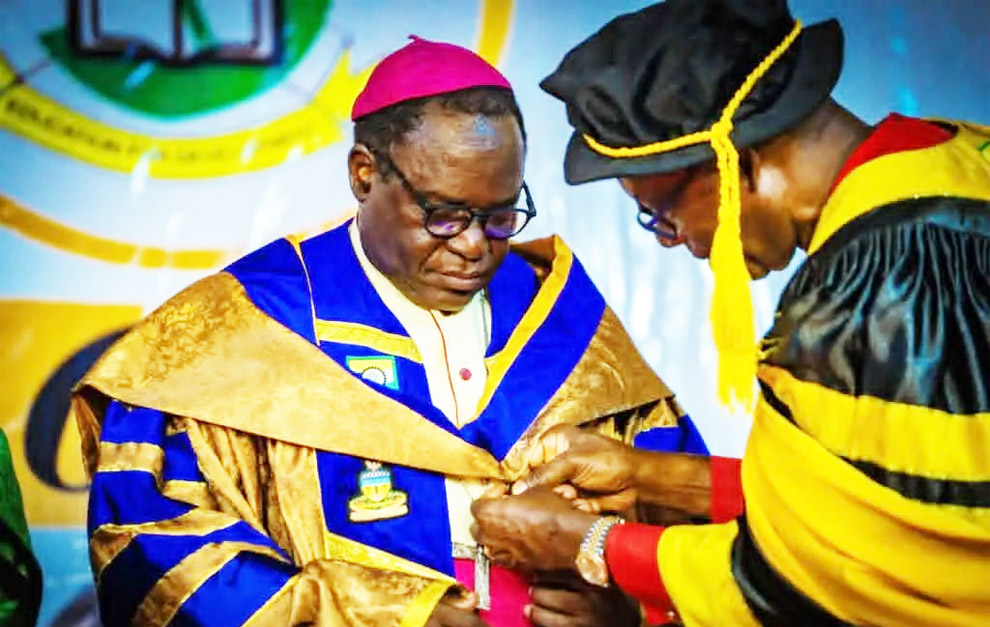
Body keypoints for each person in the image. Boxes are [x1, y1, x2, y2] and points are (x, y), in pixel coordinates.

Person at [71, 37, 708, 627]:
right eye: (443, 214)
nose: (474, 247)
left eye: (499, 215)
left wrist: (629, 610)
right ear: (364, 174)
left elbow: (695, 531)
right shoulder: (236, 333)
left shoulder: (567, 321)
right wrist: (383, 614)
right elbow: (151, 545)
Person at [472, 1, 990, 625]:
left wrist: (594, 545)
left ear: (740, 162)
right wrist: (654, 479)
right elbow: (878, 505)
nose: (669, 239)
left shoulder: (885, 282)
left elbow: (852, 585)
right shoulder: (954, 164)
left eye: (659, 211)